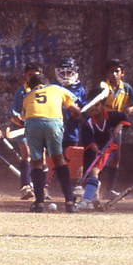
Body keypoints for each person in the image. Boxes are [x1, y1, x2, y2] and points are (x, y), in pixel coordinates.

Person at [22, 72, 81, 212]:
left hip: (32, 123)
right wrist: (76, 114)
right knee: (58, 159)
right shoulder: (56, 89)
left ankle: (39, 203)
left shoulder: (27, 96)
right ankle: (69, 202)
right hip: (53, 123)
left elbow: (26, 116)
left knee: (36, 161)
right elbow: (75, 109)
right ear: (46, 83)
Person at [76, 99, 129, 210]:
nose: (93, 108)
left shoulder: (112, 116)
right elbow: (88, 139)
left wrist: (119, 126)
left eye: (96, 105)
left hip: (108, 147)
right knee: (87, 175)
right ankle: (93, 198)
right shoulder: (88, 122)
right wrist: (95, 149)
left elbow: (124, 118)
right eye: (91, 106)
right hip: (92, 148)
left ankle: (86, 201)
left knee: (94, 171)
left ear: (102, 106)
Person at [10, 62, 42, 199]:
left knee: (41, 157)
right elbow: (13, 113)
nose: (32, 78)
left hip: (38, 128)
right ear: (25, 76)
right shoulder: (21, 91)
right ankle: (25, 187)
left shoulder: (43, 90)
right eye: (30, 75)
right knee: (27, 154)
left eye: (35, 75)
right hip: (21, 128)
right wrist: (23, 123)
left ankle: (41, 187)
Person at [55, 57, 86, 183]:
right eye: (63, 73)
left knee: (71, 157)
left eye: (69, 72)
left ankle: (72, 184)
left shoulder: (79, 89)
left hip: (71, 131)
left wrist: (78, 115)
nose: (66, 76)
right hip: (55, 130)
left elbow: (84, 110)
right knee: (55, 157)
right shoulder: (53, 88)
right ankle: (51, 184)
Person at [103, 58, 133, 169]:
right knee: (101, 153)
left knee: (116, 156)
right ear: (107, 73)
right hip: (103, 122)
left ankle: (110, 186)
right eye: (111, 71)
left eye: (117, 71)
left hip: (117, 123)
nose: (114, 74)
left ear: (122, 73)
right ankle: (94, 181)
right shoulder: (103, 87)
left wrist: (129, 110)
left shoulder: (126, 88)